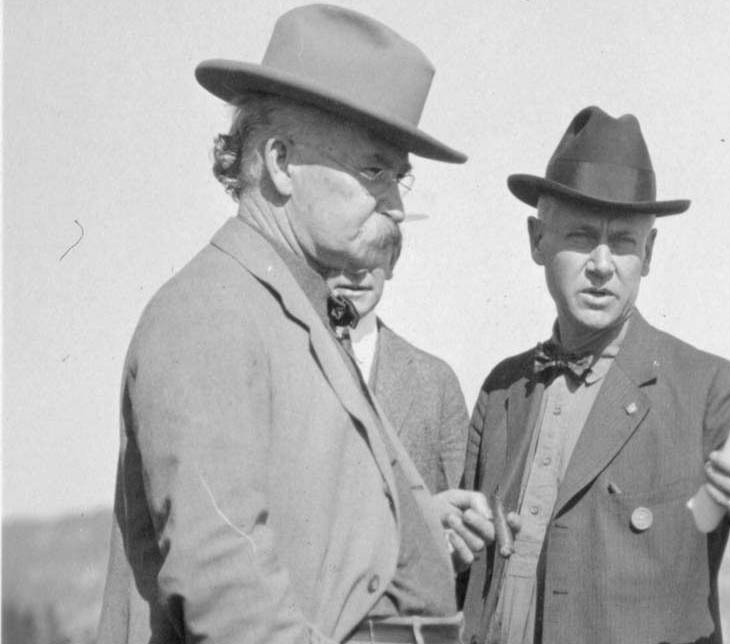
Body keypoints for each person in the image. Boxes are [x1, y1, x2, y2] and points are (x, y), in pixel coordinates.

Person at [97, 6, 493, 644]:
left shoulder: (295, 304)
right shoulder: (209, 315)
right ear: (280, 162)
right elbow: (231, 598)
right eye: (373, 170)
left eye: (400, 177)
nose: (395, 203)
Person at [460, 106, 730, 644]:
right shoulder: (503, 391)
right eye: (583, 237)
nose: (603, 264)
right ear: (537, 240)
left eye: (626, 242)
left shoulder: (709, 390)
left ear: (650, 253)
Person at [328, 228, 469, 493]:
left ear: (391, 261)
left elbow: (459, 515)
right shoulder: (284, 358)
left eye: (374, 249)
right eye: (342, 250)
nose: (358, 269)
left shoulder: (436, 381)